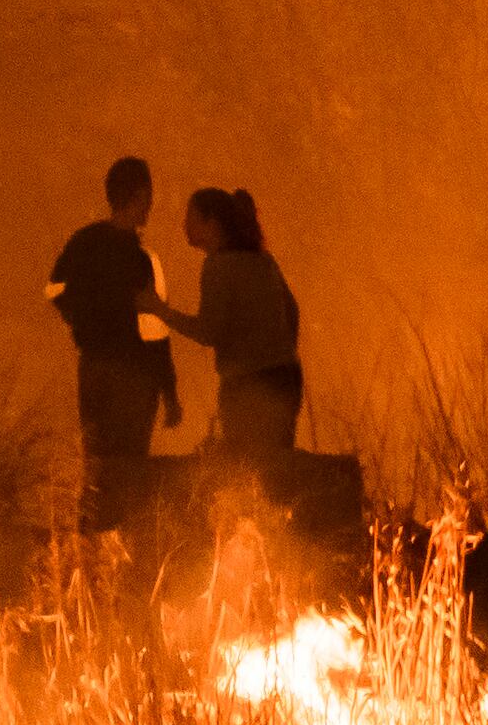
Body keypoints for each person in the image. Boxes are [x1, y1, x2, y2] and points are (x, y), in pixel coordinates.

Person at [44, 155, 180, 530]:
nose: (151, 205)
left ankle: (89, 550)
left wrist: (81, 321)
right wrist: (169, 391)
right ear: (138, 196)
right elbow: (154, 328)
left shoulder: (84, 242)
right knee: (129, 473)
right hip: (133, 378)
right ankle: (120, 550)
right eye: (149, 197)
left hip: (93, 368)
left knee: (97, 468)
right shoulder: (140, 259)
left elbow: (54, 289)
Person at [158, 184, 308, 460]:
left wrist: (162, 312)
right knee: (277, 466)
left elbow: (208, 332)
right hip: (286, 378)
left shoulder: (218, 266)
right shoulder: (263, 260)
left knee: (244, 469)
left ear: (212, 224)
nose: (183, 226)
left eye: (190, 218)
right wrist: (279, 352)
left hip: (248, 385)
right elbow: (293, 312)